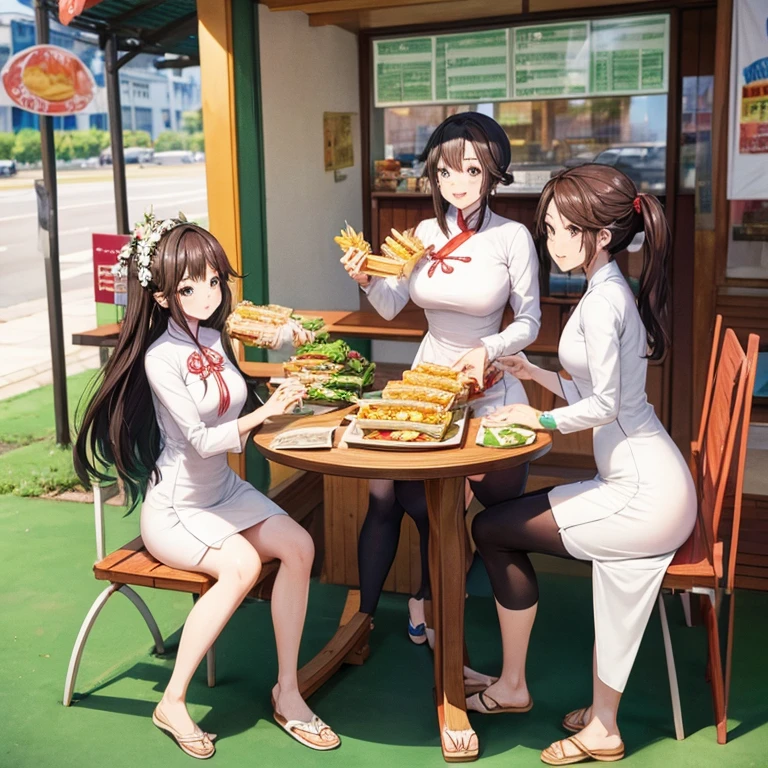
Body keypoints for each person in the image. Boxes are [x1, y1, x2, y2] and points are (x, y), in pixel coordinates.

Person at [74, 213, 340, 758]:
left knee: (300, 545)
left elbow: (242, 381)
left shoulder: (218, 337)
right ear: (166, 296)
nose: (209, 293)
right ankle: (172, 701)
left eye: (215, 280)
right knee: (241, 565)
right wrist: (266, 417)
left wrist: (291, 360)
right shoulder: (159, 358)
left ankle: (288, 692)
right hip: (177, 510)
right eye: (192, 286)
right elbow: (199, 439)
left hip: (224, 493)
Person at [466, 164, 697, 765]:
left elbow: (604, 406)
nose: (548, 244)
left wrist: (533, 419)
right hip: (639, 479)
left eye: (556, 232)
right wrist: (532, 374)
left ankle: (596, 725)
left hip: (642, 496)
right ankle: (539, 692)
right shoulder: (609, 288)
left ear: (597, 236)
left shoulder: (604, 301)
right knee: (495, 527)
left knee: (491, 529)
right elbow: (600, 390)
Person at [341, 111, 541, 651]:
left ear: (494, 173)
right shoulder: (422, 234)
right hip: (428, 386)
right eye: (446, 172)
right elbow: (389, 308)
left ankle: (447, 613)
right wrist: (366, 278)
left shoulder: (514, 237)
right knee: (401, 497)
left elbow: (530, 322)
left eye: (472, 171)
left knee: (487, 512)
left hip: (490, 387)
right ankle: (386, 615)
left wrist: (489, 346)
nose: (458, 184)